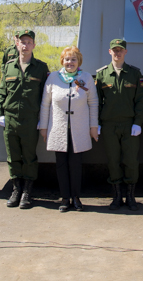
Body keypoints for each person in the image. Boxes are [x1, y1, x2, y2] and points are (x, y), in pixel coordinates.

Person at [39, 47, 99, 212]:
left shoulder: (85, 78)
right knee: (61, 164)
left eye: (73, 59)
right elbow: (45, 104)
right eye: (67, 59)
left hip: (79, 129)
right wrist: (43, 127)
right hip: (58, 129)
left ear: (78, 61)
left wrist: (93, 126)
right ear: (62, 61)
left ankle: (76, 197)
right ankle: (65, 198)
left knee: (76, 164)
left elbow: (93, 103)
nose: (70, 62)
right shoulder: (53, 78)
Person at [0, 29, 50, 209]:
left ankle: (27, 192)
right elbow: (2, 92)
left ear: (34, 45)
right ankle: (16, 189)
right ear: (17, 44)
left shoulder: (41, 68)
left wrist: (42, 119)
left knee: (29, 157)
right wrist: (0, 114)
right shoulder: (8, 66)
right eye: (22, 42)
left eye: (29, 42)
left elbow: (45, 96)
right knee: (13, 156)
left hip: (30, 119)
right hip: (10, 118)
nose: (25, 45)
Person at [95, 38, 143, 211]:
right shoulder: (101, 74)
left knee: (131, 161)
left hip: (129, 125)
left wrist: (138, 123)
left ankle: (130, 197)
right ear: (110, 52)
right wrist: (98, 123)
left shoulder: (134, 73)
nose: (117, 53)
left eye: (120, 50)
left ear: (125, 52)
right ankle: (117, 196)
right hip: (109, 125)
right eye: (114, 50)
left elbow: (140, 101)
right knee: (113, 161)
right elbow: (97, 102)